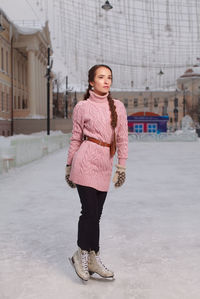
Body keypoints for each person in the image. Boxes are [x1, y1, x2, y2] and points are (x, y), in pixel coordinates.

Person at [65, 64, 128, 281]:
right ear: (92, 81)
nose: (106, 80)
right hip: (84, 161)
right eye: (101, 77)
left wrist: (122, 165)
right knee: (89, 212)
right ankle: (81, 254)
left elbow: (122, 139)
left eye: (109, 77)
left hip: (104, 164)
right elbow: (75, 137)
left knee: (97, 215)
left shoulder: (118, 106)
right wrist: (68, 165)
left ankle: (93, 257)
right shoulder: (82, 106)